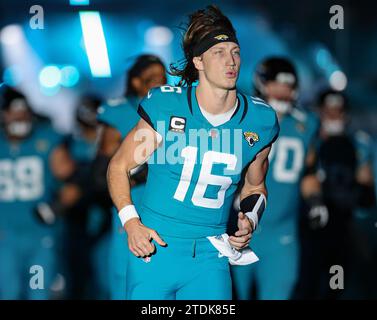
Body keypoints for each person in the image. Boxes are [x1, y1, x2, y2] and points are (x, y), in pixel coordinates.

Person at [107, 5, 279, 300]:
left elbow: (255, 185)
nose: (231, 61)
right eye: (219, 53)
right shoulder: (167, 107)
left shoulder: (258, 121)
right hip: (156, 248)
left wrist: (250, 218)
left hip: (211, 256)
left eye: (235, 51)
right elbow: (119, 166)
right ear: (198, 60)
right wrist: (131, 222)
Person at [230, 57, 321, 300]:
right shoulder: (241, 117)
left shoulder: (306, 124)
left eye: (288, 86)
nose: (282, 92)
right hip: (237, 228)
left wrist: (314, 200)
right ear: (262, 84)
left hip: (282, 233)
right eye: (276, 85)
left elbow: (309, 173)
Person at [95, 54, 166, 299]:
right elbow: (103, 168)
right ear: (136, 82)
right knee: (125, 273)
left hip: (167, 202)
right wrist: (141, 171)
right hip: (131, 201)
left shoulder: (173, 106)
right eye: (153, 78)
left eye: (163, 76)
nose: (161, 82)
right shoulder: (118, 111)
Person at [296, 89, 376, 299]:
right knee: (305, 286)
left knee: (334, 287)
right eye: (329, 110)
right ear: (319, 112)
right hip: (308, 229)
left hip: (341, 230)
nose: (334, 115)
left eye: (338, 111)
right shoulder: (308, 141)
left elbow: (366, 194)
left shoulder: (358, 144)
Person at [0, 87, 74, 299]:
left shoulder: (46, 141)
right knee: (9, 293)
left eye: (23, 111)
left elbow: (75, 181)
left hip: (40, 237)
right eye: (13, 111)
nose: (19, 117)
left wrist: (57, 205)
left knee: (38, 292)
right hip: (5, 237)